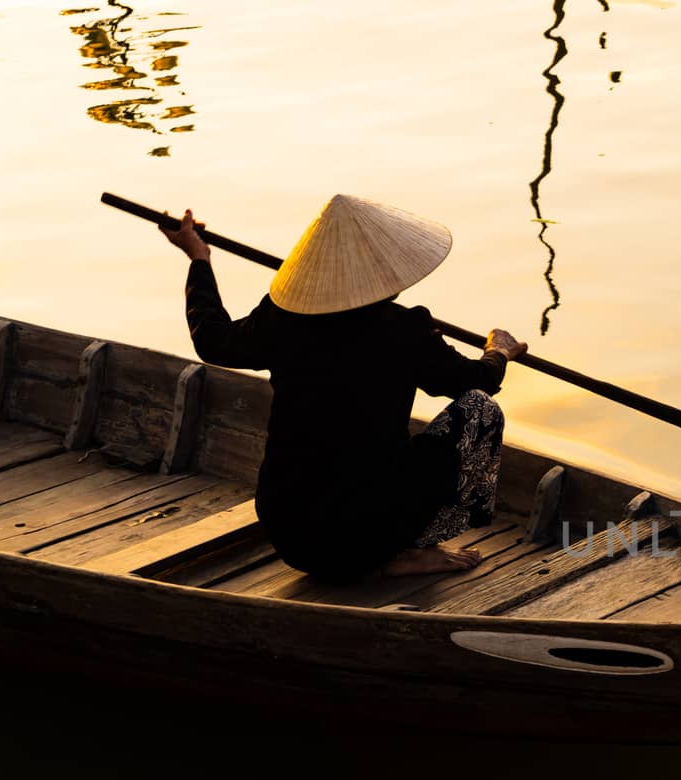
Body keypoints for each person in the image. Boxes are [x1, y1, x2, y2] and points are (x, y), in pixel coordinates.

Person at [159, 194, 529, 580]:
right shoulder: (404, 329)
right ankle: (409, 547)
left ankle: (394, 546)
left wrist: (198, 259)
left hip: (291, 533)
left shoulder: (281, 319)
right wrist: (498, 351)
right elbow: (477, 382)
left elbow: (212, 339)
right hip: (368, 533)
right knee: (481, 411)